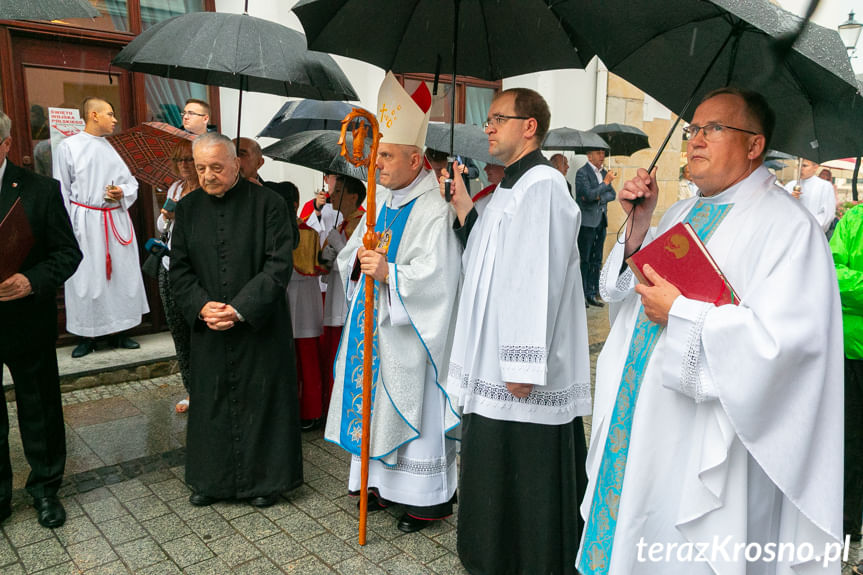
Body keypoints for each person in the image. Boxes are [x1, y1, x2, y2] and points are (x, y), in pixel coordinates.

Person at [578, 87, 843, 574]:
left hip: (708, 444)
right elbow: (634, 299)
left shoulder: (790, 229)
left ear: (754, 145)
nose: (695, 141)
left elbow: (784, 351)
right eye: (693, 129)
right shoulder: (681, 212)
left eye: (713, 129)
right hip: (643, 422)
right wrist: (638, 229)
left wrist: (682, 314)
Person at [442, 88, 591, 575]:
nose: (487, 126)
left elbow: (534, 277)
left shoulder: (543, 185)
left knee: (523, 470)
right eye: (490, 118)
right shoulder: (511, 186)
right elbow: (485, 264)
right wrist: (464, 205)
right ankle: (496, 555)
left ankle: (530, 560)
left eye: (498, 118)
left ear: (530, 126)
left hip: (516, 371)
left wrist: (523, 362)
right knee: (495, 465)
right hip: (495, 362)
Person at [324, 72, 462, 533]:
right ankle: (378, 485)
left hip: (409, 335)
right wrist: (359, 264)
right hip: (372, 325)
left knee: (411, 412)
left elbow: (439, 279)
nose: (375, 163)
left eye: (385, 155)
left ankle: (423, 500)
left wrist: (391, 275)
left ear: (415, 158)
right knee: (371, 404)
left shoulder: (433, 209)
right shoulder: (382, 199)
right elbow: (350, 258)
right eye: (377, 153)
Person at [169, 132, 302, 508]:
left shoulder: (270, 204)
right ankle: (210, 480)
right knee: (211, 402)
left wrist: (240, 308)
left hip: (258, 324)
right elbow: (179, 268)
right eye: (200, 168)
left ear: (236, 164)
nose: (208, 175)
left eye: (216, 167)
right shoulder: (188, 208)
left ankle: (265, 482)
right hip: (210, 326)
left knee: (261, 400)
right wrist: (201, 306)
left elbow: (278, 264)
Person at [0, 111, 82, 528]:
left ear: (7, 144)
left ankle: (46, 489)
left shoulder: (39, 190)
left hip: (26, 318)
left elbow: (68, 254)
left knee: (40, 407)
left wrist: (31, 281)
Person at [53, 97, 149, 358]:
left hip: (114, 217)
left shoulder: (117, 148)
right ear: (93, 115)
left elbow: (132, 184)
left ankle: (121, 331)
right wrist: (65, 228)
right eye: (110, 113)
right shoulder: (69, 147)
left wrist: (122, 192)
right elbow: (61, 187)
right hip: (84, 220)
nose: (115, 119)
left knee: (120, 275)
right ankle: (87, 334)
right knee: (86, 277)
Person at [829, 202, 863, 546]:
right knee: (850, 445)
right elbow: (832, 274)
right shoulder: (853, 220)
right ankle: (848, 532)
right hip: (850, 352)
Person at [156, 140, 199, 414]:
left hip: (194, 269)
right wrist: (166, 215)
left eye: (188, 159)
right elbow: (162, 226)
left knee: (199, 332)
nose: (183, 165)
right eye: (178, 160)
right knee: (179, 333)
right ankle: (191, 390)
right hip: (169, 264)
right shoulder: (175, 188)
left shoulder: (206, 189)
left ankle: (208, 389)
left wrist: (178, 215)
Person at [319, 175, 366, 414]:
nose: (332, 196)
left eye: (338, 192)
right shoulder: (342, 223)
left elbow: (358, 264)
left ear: (353, 196)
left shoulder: (363, 223)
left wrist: (340, 246)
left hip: (347, 301)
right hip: (335, 294)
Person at [575, 148, 616, 308]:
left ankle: (592, 293)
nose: (602, 156)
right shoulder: (582, 173)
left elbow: (612, 194)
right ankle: (581, 294)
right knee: (584, 260)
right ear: (589, 155)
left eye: (603, 153)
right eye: (598, 153)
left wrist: (599, 196)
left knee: (596, 259)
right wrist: (604, 184)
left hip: (601, 221)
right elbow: (587, 195)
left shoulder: (604, 172)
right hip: (587, 222)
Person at [784, 158, 836, 233]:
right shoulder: (790, 185)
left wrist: (807, 227)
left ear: (815, 167)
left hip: (812, 232)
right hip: (791, 231)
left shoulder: (825, 186)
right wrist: (790, 200)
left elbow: (827, 214)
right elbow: (782, 209)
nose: (800, 168)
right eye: (799, 165)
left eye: (804, 166)